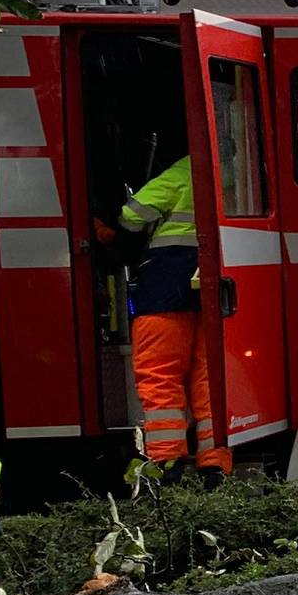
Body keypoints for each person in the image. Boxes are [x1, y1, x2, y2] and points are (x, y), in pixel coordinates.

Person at [113, 157, 228, 481]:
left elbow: (131, 216)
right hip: (213, 288)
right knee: (209, 379)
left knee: (160, 375)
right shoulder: (235, 174)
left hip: (164, 289)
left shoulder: (182, 172)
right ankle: (215, 465)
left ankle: (167, 464)